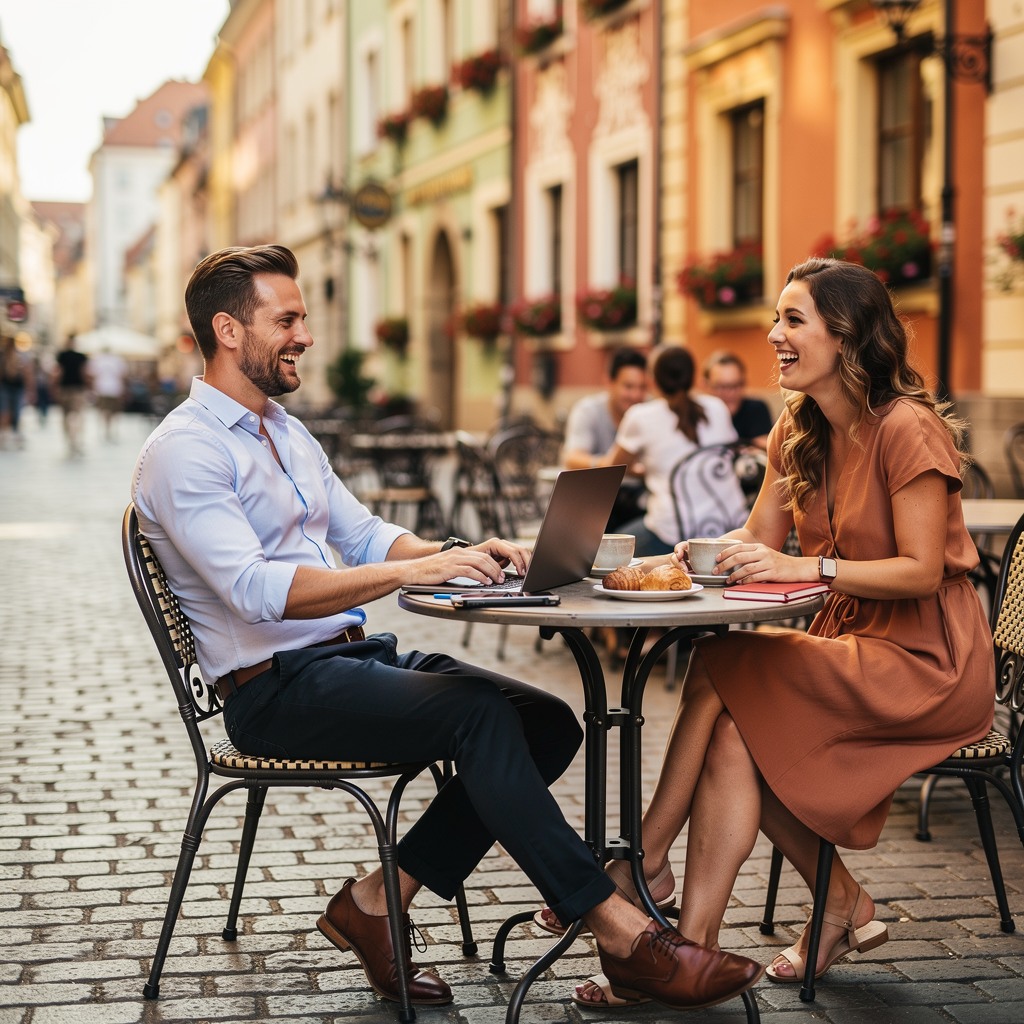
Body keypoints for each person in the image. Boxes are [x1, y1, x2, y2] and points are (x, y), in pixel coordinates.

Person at [131, 244, 763, 1012]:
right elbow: (256, 592)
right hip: (273, 690)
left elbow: (364, 534)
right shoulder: (185, 450)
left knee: (546, 722)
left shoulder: (285, 432)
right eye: (287, 319)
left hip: (348, 660)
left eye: (303, 317)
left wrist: (459, 554)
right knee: (478, 716)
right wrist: (408, 575)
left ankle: (375, 903)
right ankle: (623, 932)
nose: (304, 333)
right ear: (228, 330)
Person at [563, 257, 996, 1007]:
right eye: (776, 318)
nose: (774, 335)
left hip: (929, 657)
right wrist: (671, 561)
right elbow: (755, 536)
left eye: (793, 320)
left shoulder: (907, 428)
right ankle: (692, 949)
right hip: (850, 642)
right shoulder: (799, 430)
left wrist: (811, 565)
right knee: (733, 734)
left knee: (725, 658)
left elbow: (924, 571)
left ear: (847, 334)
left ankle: (641, 861)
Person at [601, 345, 744, 556]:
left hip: (673, 536)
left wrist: (646, 470)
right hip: (731, 528)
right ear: (692, 377)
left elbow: (611, 470)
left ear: (653, 380)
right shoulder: (717, 407)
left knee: (607, 549)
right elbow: (723, 458)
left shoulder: (641, 416)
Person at [562, 347, 648, 531]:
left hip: (641, 500)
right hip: (599, 500)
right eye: (628, 386)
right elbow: (572, 458)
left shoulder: (650, 409)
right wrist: (612, 465)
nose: (636, 395)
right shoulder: (588, 410)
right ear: (609, 382)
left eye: (642, 387)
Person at [702, 350, 774, 450]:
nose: (730, 393)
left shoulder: (756, 409)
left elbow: (768, 447)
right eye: (721, 387)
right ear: (706, 385)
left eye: (736, 385)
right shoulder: (699, 414)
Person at [53, 334, 91, 457]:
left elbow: (58, 372)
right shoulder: (81, 357)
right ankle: (75, 441)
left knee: (66, 416)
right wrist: (89, 387)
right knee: (76, 416)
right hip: (78, 389)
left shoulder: (62, 356)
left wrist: (54, 387)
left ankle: (70, 441)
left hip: (65, 388)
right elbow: (85, 373)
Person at [90, 345, 128, 441]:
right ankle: (110, 430)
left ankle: (106, 430)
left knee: (104, 411)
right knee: (113, 412)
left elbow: (92, 375)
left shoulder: (97, 359)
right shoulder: (117, 360)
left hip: (102, 388)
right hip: (114, 389)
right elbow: (123, 375)